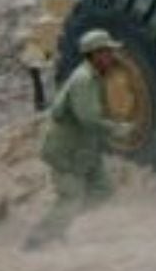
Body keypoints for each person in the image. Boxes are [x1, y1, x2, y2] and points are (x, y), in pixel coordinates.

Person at [27, 30, 133, 250]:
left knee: (103, 190)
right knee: (71, 198)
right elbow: (89, 118)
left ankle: (60, 225)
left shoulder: (93, 76)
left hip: (85, 149)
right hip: (66, 150)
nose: (112, 56)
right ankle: (37, 240)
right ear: (94, 55)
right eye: (107, 51)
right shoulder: (84, 79)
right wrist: (117, 129)